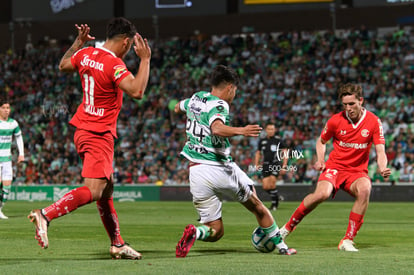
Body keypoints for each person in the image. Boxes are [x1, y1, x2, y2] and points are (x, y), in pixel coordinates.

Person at [28, 17, 151, 259]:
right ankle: (46, 214)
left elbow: (63, 65)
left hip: (83, 128)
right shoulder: (114, 65)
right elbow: (137, 90)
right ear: (126, 42)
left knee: (106, 189)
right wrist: (145, 59)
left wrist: (78, 42)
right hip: (98, 133)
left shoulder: (86, 53)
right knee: (94, 190)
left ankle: (117, 243)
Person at [174, 65, 296, 257]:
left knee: (216, 230)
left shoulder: (196, 98)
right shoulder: (220, 105)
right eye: (235, 91)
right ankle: (282, 247)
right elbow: (217, 128)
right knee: (257, 206)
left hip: (196, 172)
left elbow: (177, 106)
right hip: (219, 168)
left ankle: (195, 232)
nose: (234, 95)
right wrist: (242, 130)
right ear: (230, 87)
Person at [280, 83, 391, 252]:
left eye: (352, 104)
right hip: (335, 167)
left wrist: (383, 167)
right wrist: (321, 160)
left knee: (365, 189)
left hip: (356, 171)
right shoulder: (335, 120)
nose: (348, 108)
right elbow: (321, 141)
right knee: (321, 194)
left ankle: (347, 240)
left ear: (361, 101)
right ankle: (286, 228)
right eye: (345, 105)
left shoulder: (374, 121)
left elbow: (380, 149)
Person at [0, 98, 25, 219]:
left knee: (7, 187)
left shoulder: (13, 123)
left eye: (8, 108)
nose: (6, 110)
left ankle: (0, 209)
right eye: (3, 108)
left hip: (7, 159)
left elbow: (19, 138)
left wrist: (21, 154)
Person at [254, 123, 288, 211]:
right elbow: (258, 153)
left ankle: (274, 204)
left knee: (272, 182)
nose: (271, 131)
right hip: (265, 164)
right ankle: (276, 196)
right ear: (266, 130)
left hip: (275, 163)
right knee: (265, 186)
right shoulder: (262, 141)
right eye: (269, 129)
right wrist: (256, 163)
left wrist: (284, 165)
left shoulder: (278, 140)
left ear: (275, 130)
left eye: (272, 129)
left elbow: (285, 152)